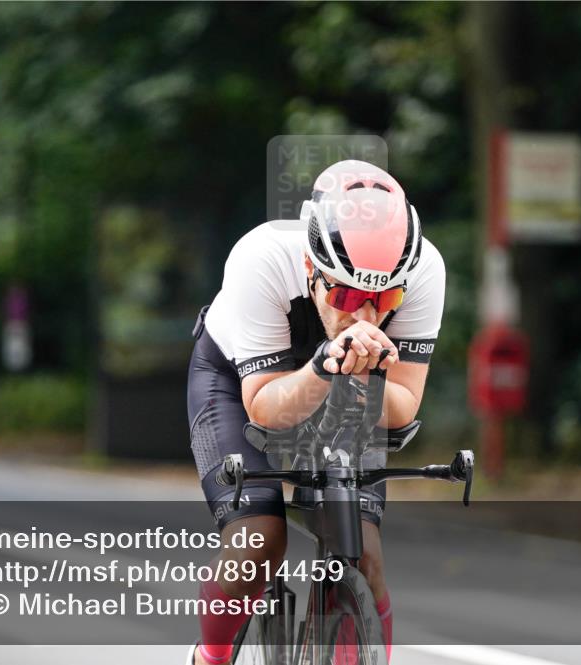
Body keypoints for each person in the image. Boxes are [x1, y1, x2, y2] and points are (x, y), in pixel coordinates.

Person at [186, 159, 445, 664]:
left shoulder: (424, 270)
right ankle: (210, 658)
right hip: (241, 381)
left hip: (346, 385)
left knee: (363, 553)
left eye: (384, 297)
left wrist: (361, 375)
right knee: (258, 541)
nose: (365, 315)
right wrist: (327, 364)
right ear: (311, 267)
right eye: (345, 294)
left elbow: (401, 408)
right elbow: (265, 410)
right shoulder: (261, 257)